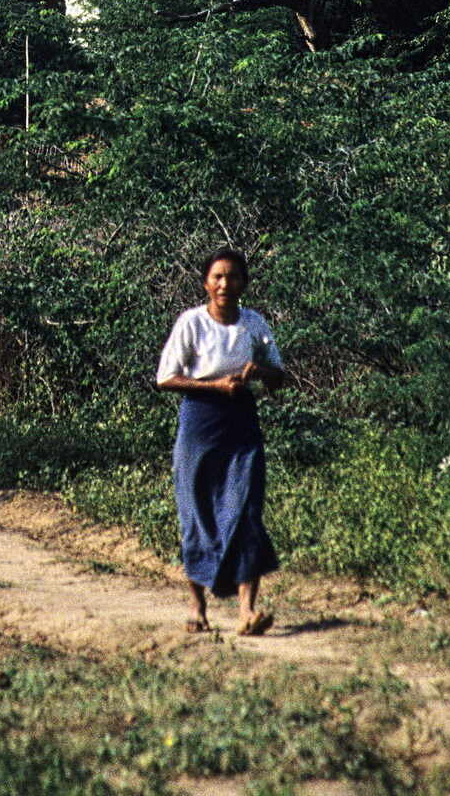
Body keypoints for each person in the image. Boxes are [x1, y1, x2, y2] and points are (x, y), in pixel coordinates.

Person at [156, 246, 285, 636]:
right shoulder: (191, 323)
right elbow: (165, 378)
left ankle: (247, 610)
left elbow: (279, 376)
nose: (225, 284)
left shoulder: (254, 324)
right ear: (205, 283)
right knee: (196, 512)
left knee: (245, 510)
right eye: (217, 277)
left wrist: (260, 371)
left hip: (241, 423)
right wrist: (213, 385)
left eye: (233, 277)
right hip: (200, 421)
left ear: (245, 283)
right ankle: (197, 608)